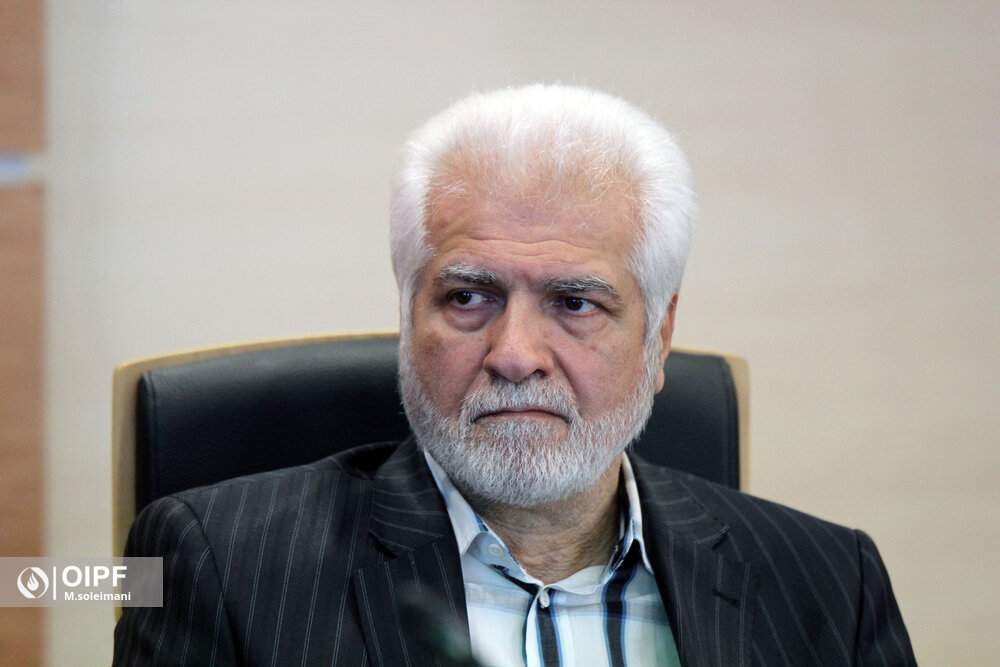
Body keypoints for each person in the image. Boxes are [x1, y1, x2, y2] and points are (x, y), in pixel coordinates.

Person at [113, 84, 916, 666]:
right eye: (468, 296)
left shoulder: (830, 586)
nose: (515, 353)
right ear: (408, 315)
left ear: (660, 335)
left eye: (575, 302)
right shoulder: (215, 566)